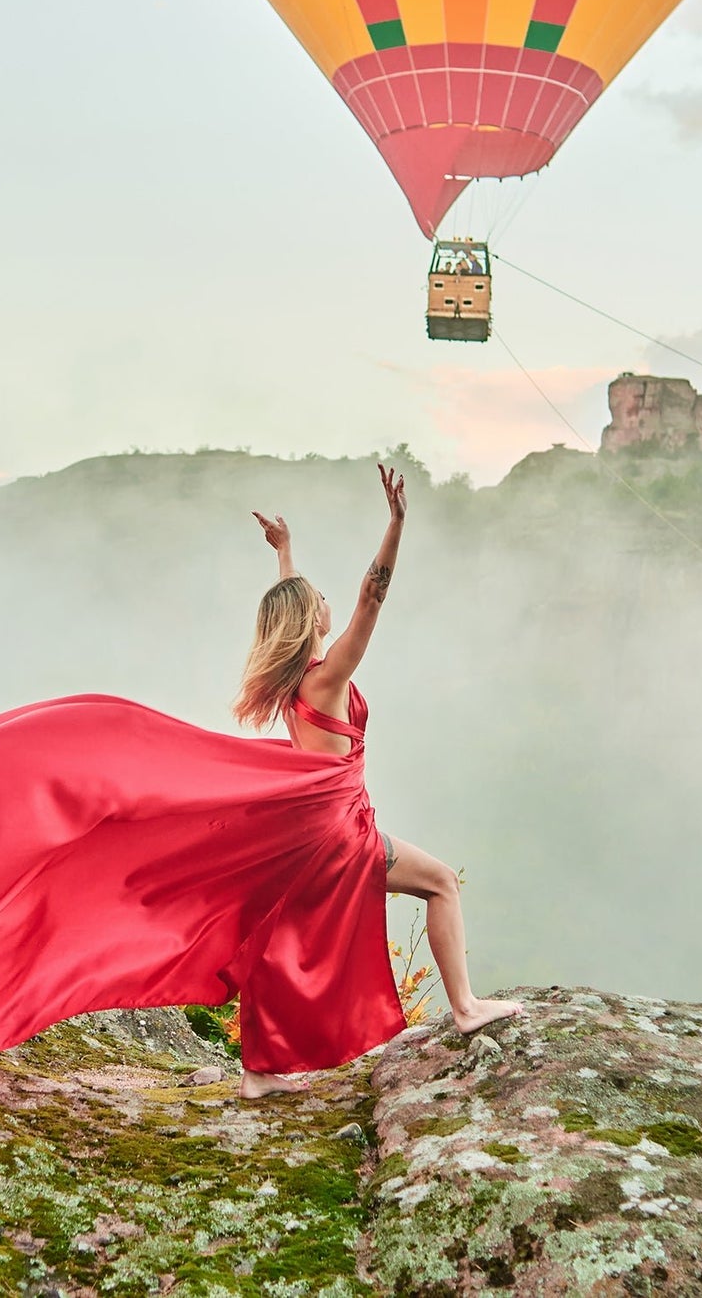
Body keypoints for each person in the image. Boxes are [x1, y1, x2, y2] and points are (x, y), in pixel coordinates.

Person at [240, 463, 521, 1096]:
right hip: (341, 837)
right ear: (314, 620)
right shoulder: (327, 675)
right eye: (317, 604)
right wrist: (395, 525)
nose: (326, 605)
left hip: (305, 838)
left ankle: (259, 1072)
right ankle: (467, 1008)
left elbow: (291, 609)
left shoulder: (293, 677)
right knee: (442, 883)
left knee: (282, 936)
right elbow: (372, 595)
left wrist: (285, 555)